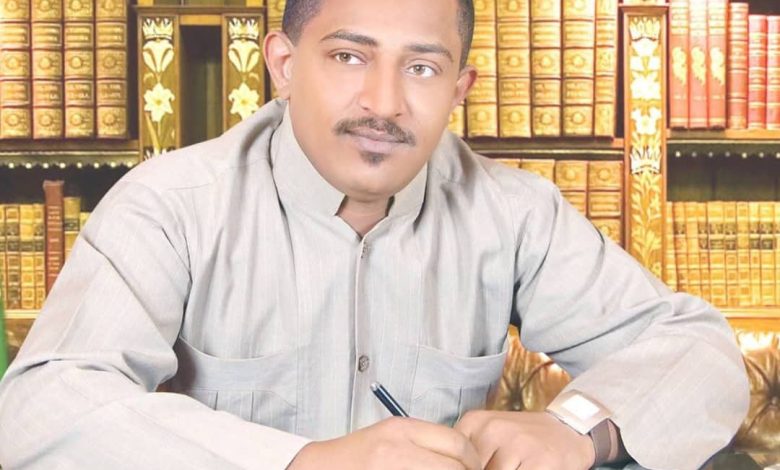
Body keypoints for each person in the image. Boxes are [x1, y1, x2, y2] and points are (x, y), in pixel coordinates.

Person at [0, 0, 749, 469]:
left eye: (421, 68)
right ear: (284, 65)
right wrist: (305, 462)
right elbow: (41, 411)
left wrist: (578, 429)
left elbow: (697, 347)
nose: (384, 103)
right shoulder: (170, 206)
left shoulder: (516, 211)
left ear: (458, 90)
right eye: (349, 56)